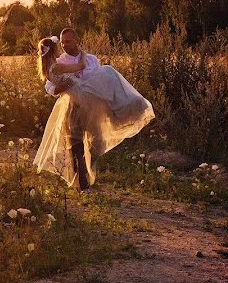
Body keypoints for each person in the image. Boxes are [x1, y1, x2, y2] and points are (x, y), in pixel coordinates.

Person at [32, 27, 155, 190]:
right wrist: (64, 86)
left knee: (97, 141)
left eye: (68, 41)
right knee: (75, 142)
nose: (65, 45)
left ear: (77, 40)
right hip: (74, 105)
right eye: (62, 43)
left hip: (94, 106)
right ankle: (81, 179)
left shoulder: (91, 59)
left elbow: (99, 82)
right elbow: (50, 86)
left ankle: (127, 108)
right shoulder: (60, 62)